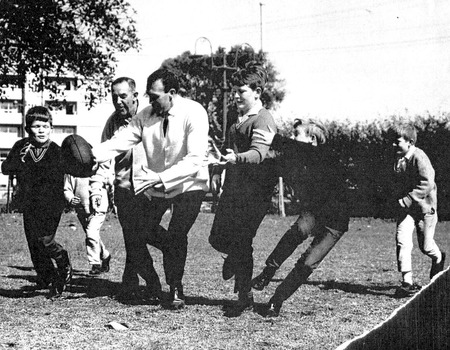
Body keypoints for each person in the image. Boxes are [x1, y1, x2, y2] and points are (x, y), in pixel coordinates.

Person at [92, 69, 210, 309]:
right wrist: (90, 155)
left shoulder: (194, 112)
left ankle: (176, 288)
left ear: (172, 93)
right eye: (149, 96)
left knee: (177, 233)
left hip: (190, 183)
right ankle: (170, 252)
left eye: (155, 96)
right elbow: (120, 141)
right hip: (158, 185)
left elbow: (196, 158)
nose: (150, 101)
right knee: (138, 231)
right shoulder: (146, 115)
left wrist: (160, 177)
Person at [250, 118, 349, 317]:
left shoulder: (326, 155)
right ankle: (268, 272)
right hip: (314, 212)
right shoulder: (297, 157)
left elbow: (305, 151)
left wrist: (275, 138)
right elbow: (270, 160)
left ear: (312, 139)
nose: (292, 138)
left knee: (307, 263)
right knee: (297, 231)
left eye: (296, 135)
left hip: (336, 222)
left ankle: (276, 301)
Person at [208, 63, 278, 315]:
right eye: (234, 91)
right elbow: (227, 154)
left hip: (255, 194)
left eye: (242, 91)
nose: (236, 96)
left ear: (257, 92)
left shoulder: (264, 119)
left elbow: (259, 154)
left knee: (242, 241)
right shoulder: (236, 122)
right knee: (216, 239)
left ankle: (244, 296)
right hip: (234, 191)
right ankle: (235, 261)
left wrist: (235, 159)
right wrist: (217, 171)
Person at [90, 76, 165, 302]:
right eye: (114, 97)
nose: (118, 101)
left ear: (135, 96)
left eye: (123, 96)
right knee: (133, 239)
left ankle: (144, 280)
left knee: (139, 237)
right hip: (124, 192)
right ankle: (141, 282)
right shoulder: (112, 123)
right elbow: (103, 159)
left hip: (151, 191)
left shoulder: (153, 117)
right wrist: (96, 189)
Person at [1, 106, 72, 297]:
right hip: (29, 202)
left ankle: (62, 261)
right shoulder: (21, 147)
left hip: (51, 203)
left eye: (46, 126)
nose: (41, 130)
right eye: (36, 126)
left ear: (51, 128)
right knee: (33, 243)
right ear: (27, 129)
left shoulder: (57, 151)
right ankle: (47, 277)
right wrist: (17, 162)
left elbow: (71, 172)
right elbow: (6, 168)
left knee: (45, 241)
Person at [388, 124, 446, 297]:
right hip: (406, 210)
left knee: (426, 247)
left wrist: (407, 199)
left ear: (410, 142)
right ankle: (407, 282)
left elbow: (427, 182)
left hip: (424, 209)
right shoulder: (398, 158)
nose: (393, 145)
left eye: (396, 141)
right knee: (402, 241)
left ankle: (439, 257)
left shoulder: (419, 157)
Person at [64, 174, 111, 275]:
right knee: (93, 235)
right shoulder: (71, 171)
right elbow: (67, 189)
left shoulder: (96, 167)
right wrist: (71, 198)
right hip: (81, 209)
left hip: (98, 207)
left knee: (91, 232)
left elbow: (106, 182)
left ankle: (95, 264)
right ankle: (105, 255)